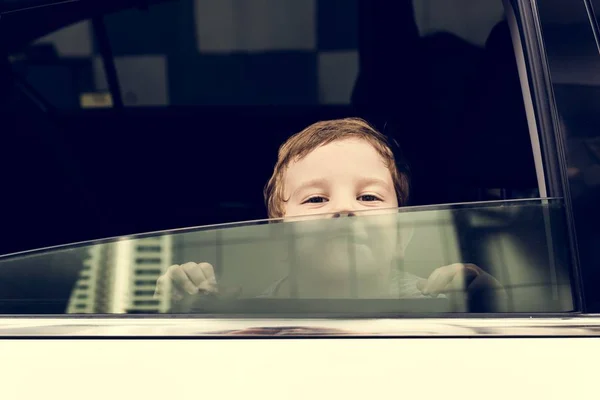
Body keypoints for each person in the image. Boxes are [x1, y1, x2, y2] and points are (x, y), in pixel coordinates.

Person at [155, 118, 503, 304]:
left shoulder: (439, 304)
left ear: (402, 235)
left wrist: (488, 303)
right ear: (279, 237)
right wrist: (180, 310)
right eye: (316, 199)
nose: (344, 209)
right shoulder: (250, 317)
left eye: (368, 197)